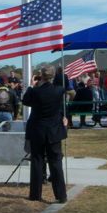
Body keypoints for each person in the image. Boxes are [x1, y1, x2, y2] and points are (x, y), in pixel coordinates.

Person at [23, 65, 68, 203]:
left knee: (37, 161)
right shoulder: (59, 90)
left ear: (41, 76)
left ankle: (35, 194)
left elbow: (25, 101)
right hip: (53, 131)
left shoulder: (35, 91)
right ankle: (61, 195)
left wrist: (31, 85)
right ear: (53, 76)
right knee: (56, 162)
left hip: (37, 130)